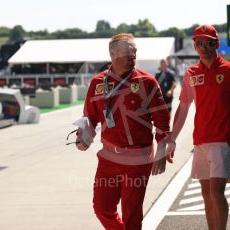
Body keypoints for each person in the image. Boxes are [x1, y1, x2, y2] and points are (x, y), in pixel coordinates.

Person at [165, 25, 230, 230]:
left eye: (208, 42)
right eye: (199, 43)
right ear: (195, 46)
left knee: (216, 191)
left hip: (223, 139)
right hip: (200, 140)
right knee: (206, 193)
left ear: (216, 44)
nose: (203, 46)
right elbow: (183, 107)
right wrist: (171, 139)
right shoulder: (191, 73)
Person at [75, 33, 171, 230]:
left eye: (134, 51)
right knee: (102, 209)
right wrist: (83, 136)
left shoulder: (147, 81)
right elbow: (90, 117)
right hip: (108, 157)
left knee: (132, 215)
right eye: (127, 51)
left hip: (138, 156)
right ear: (113, 54)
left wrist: (162, 148)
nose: (132, 55)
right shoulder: (97, 83)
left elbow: (161, 118)